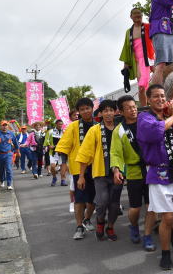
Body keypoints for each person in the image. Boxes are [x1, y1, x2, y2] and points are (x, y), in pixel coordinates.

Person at [137, 84, 173, 270]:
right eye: (156, 96)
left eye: (163, 96)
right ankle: (165, 253)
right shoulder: (144, 117)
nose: (160, 99)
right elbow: (155, 132)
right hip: (158, 173)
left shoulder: (172, 117)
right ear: (149, 99)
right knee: (167, 218)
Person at [110, 95, 157, 251]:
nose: (133, 109)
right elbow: (115, 153)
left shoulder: (146, 121)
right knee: (135, 208)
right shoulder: (119, 131)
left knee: (151, 206)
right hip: (133, 171)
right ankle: (134, 225)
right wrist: (116, 170)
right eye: (129, 107)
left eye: (134, 106)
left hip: (151, 169)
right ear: (121, 111)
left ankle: (148, 235)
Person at [76, 100, 124, 242]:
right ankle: (100, 222)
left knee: (114, 203)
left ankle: (110, 226)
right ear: (101, 113)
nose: (108, 113)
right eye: (105, 110)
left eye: (111, 110)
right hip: (100, 173)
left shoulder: (121, 128)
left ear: (115, 112)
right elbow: (85, 154)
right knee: (102, 201)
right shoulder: (95, 130)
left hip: (118, 172)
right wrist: (81, 176)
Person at [56, 98, 97, 239]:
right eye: (82, 109)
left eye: (88, 108)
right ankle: (79, 226)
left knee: (93, 199)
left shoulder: (98, 125)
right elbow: (64, 147)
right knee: (79, 199)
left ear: (92, 108)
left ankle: (87, 219)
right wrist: (64, 164)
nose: (85, 111)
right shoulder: (73, 127)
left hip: (97, 167)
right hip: (78, 168)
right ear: (78, 112)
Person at [119, 8, 155, 105]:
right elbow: (126, 47)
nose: (137, 15)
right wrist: (126, 64)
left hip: (151, 58)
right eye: (134, 13)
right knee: (141, 86)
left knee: (159, 82)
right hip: (138, 61)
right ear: (131, 16)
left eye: (139, 13)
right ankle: (144, 107)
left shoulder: (148, 27)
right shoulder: (129, 32)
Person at [0, 120, 19, 190]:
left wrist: (18, 152)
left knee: (9, 169)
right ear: (1, 126)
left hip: (9, 154)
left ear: (7, 126)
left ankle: (9, 184)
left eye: (6, 125)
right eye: (3, 125)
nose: (5, 126)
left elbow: (16, 144)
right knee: (1, 169)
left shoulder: (11, 134)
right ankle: (2, 180)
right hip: (0, 155)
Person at [44, 119, 66, 186]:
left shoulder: (64, 131)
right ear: (56, 124)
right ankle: (54, 178)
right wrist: (49, 145)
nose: (60, 125)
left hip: (62, 152)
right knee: (53, 167)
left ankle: (63, 180)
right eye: (59, 124)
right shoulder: (50, 131)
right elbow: (46, 140)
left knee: (62, 167)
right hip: (53, 152)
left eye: (61, 124)